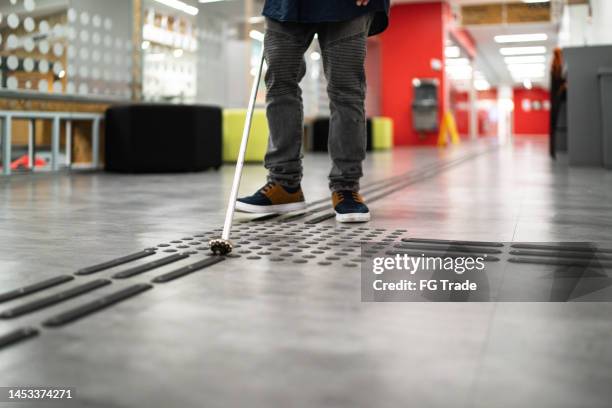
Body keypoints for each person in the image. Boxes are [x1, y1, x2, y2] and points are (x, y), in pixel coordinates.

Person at [236, 0, 390, 223]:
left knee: (346, 89)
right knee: (279, 83)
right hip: (286, 4)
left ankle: (346, 186)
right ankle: (284, 185)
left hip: (348, 7)